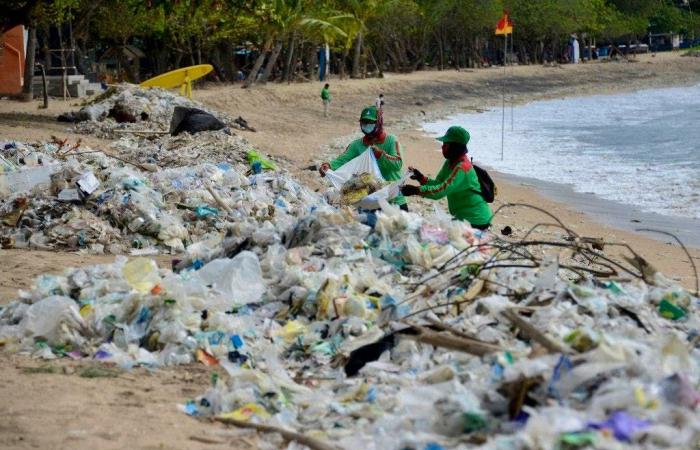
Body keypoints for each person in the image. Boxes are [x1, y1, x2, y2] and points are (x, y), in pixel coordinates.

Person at [401, 126, 492, 229]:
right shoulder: (449, 163)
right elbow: (439, 183)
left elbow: (441, 191)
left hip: (476, 219)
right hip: (461, 217)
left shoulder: (462, 168)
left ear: (455, 147)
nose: (443, 147)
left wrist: (416, 190)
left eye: (446, 144)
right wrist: (421, 178)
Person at [319, 105, 408, 211]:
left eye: (371, 122)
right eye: (364, 122)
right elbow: (342, 160)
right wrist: (329, 166)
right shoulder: (357, 145)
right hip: (372, 201)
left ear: (379, 123)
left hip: (395, 199)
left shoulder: (391, 140)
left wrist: (381, 155)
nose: (367, 125)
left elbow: (398, 164)